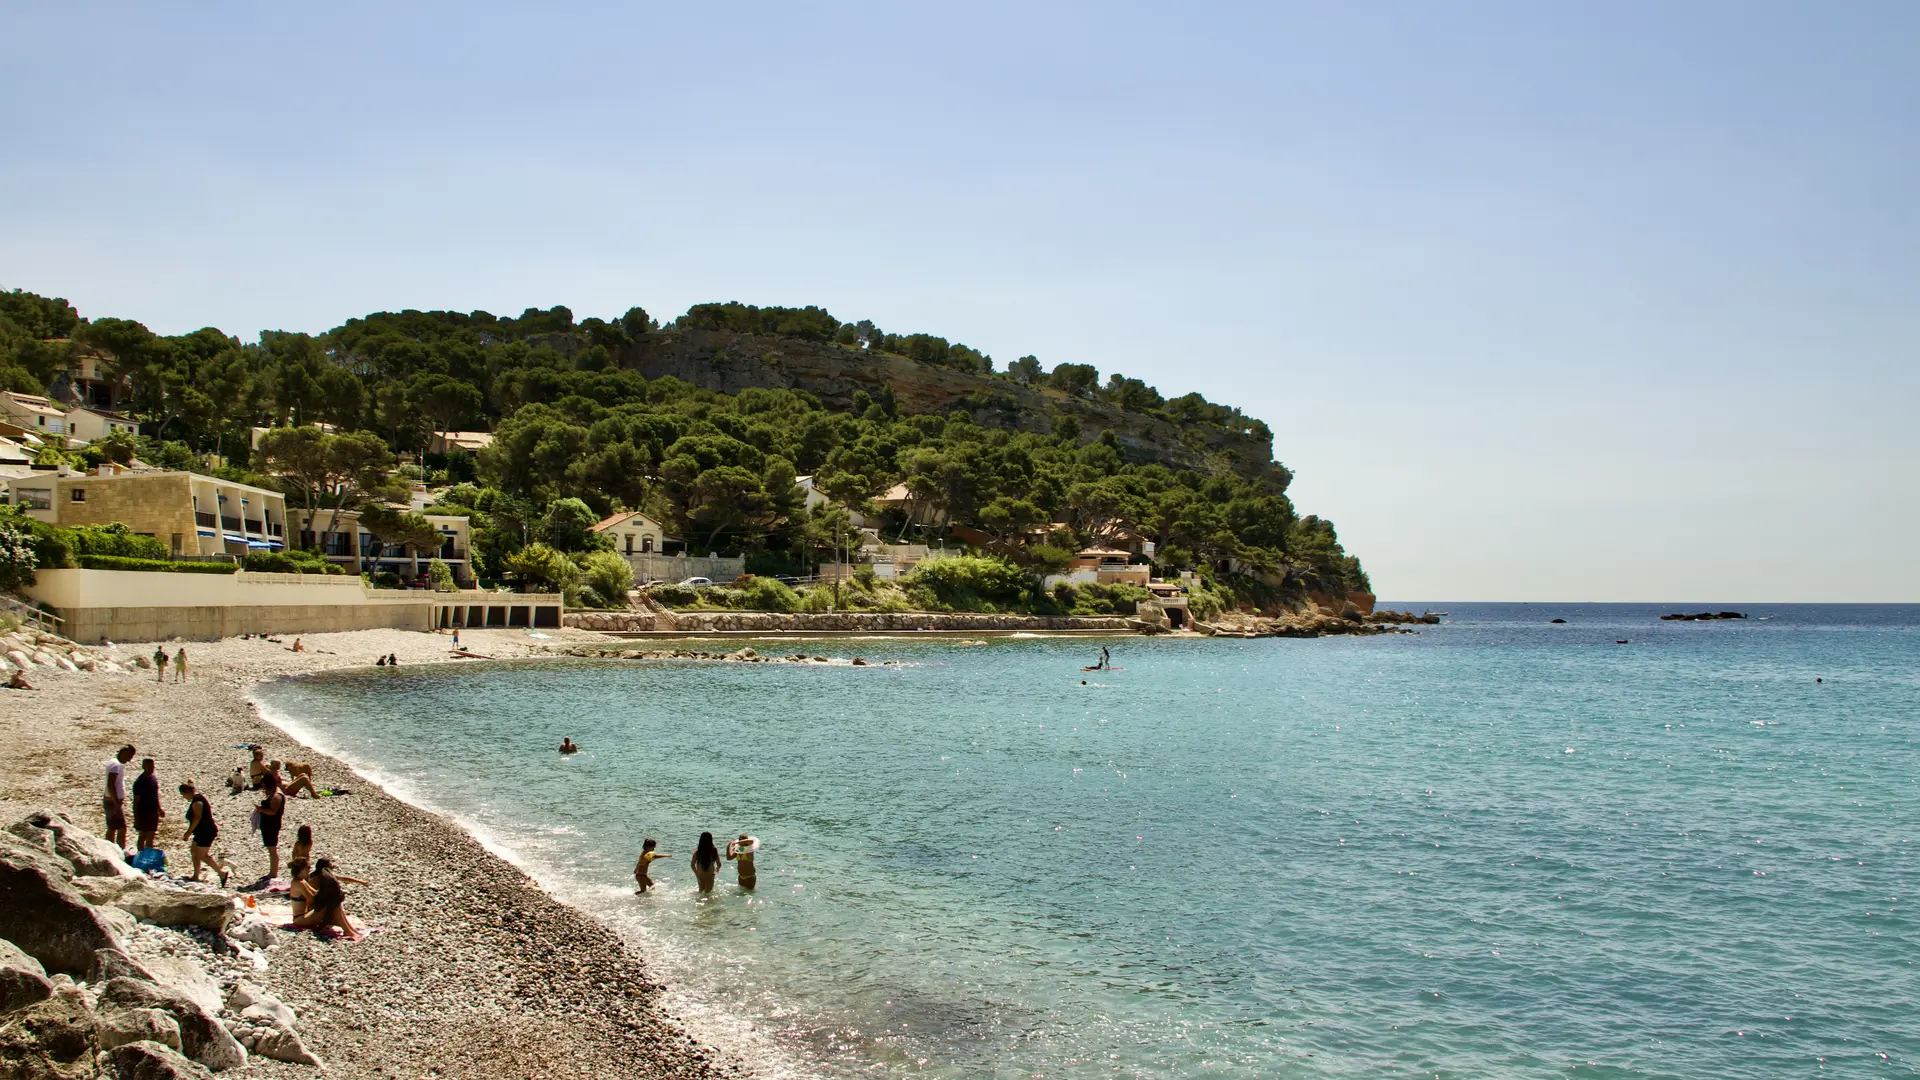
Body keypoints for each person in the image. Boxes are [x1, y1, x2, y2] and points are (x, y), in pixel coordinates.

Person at [291, 859, 362, 939]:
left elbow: (315, 893)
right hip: (300, 920)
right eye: (308, 867)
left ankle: (349, 929)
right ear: (302, 869)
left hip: (303, 917)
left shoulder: (301, 881)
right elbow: (312, 899)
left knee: (333, 902)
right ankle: (347, 930)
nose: (310, 869)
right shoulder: (299, 883)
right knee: (332, 903)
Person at [178, 781, 230, 886]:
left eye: (183, 794)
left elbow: (197, 818)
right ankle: (196, 875)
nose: (183, 797)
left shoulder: (197, 802)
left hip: (206, 832)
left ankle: (221, 873)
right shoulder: (196, 799)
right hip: (200, 832)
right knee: (194, 852)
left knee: (203, 855)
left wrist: (188, 832)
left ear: (187, 792)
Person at [257, 771, 287, 880]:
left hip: (272, 825)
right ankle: (272, 871)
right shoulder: (273, 792)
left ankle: (273, 873)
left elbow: (273, 811)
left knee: (272, 849)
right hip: (268, 824)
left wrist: (260, 809)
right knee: (271, 848)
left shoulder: (276, 796)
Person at [104, 745, 135, 849]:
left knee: (113, 827)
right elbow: (110, 784)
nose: (130, 759)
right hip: (113, 802)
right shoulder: (115, 765)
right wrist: (116, 803)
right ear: (124, 753)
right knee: (120, 828)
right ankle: (118, 850)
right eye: (130, 756)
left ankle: (111, 848)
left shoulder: (115, 763)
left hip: (112, 800)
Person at [132, 757, 162, 852]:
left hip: (153, 811)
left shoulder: (153, 779)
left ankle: (148, 854)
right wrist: (136, 817)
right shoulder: (139, 782)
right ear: (144, 767)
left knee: (151, 835)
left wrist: (159, 809)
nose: (152, 768)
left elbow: (155, 795)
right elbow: (136, 801)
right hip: (143, 812)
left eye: (153, 766)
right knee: (142, 835)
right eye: (150, 766)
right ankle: (141, 854)